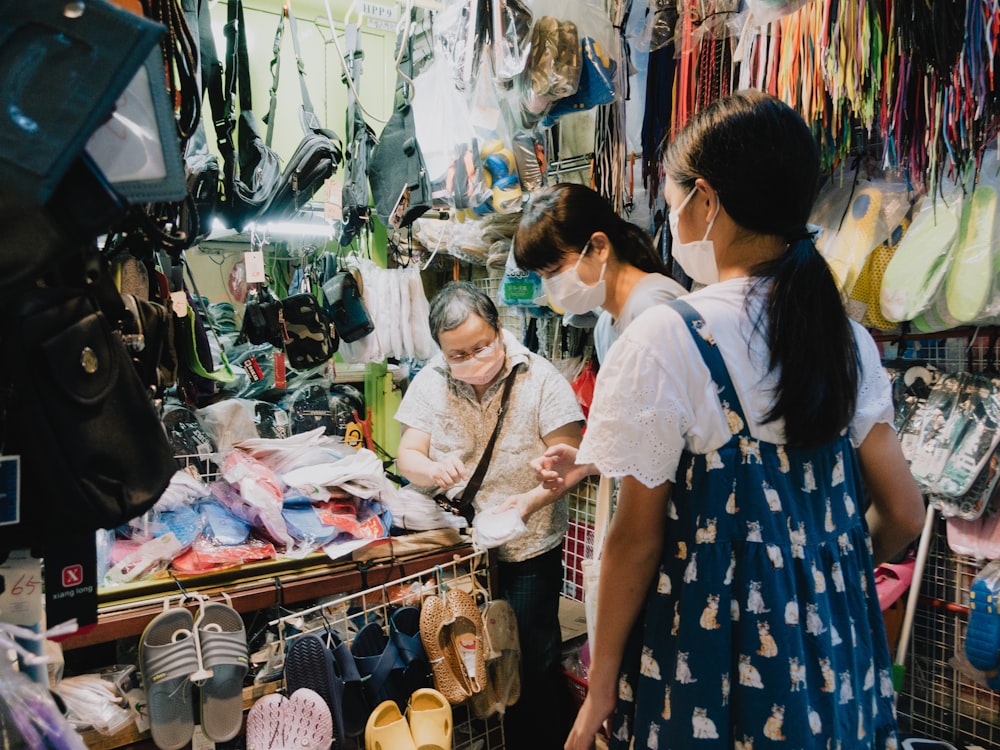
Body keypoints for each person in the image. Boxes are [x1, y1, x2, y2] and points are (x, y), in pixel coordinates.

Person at [562, 90, 925, 750]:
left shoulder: (667, 340)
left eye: (673, 205)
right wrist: (817, 570)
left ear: (705, 201)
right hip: (834, 656)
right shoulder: (846, 339)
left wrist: (602, 681)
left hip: (711, 666)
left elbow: (636, 541)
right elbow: (903, 512)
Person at [394, 281, 585, 749]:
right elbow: (407, 456)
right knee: (463, 659)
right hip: (456, 549)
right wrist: (432, 467)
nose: (471, 361)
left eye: (480, 347)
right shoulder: (431, 380)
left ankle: (539, 740)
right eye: (457, 354)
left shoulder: (541, 380)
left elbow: (576, 460)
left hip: (526, 543)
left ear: (499, 330)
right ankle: (486, 737)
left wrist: (532, 498)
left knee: (528, 659)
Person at [514, 182, 687, 365]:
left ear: (599, 246)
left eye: (555, 270)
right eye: (543, 276)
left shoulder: (652, 307)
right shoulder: (605, 326)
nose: (551, 285)